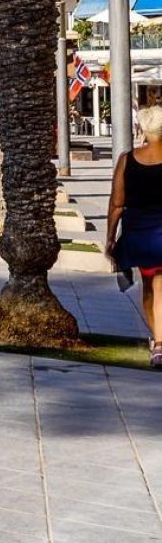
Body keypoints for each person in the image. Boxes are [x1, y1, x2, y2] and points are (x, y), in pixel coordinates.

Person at [108, 106, 162, 368]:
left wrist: (109, 237)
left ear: (143, 129)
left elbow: (117, 203)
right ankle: (160, 344)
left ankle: (158, 341)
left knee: (150, 286)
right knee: (160, 286)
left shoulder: (127, 159)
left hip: (139, 233)